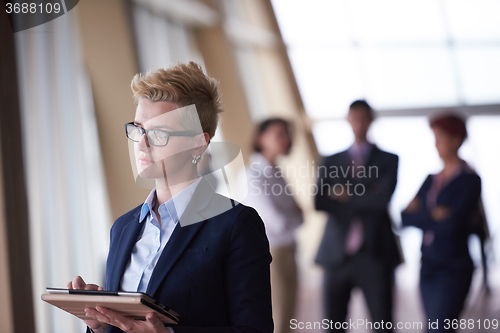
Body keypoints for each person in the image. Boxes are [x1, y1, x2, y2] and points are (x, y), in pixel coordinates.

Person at [66, 62, 273, 333]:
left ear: (199, 143)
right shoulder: (123, 227)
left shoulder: (236, 225)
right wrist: (100, 325)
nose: (141, 143)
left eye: (158, 133)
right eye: (138, 129)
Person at [315, 100, 401, 332]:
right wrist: (367, 192)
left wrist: (346, 194)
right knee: (333, 326)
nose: (359, 124)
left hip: (375, 252)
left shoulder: (389, 159)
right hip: (336, 254)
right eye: (355, 119)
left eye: (364, 119)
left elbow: (382, 200)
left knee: (382, 324)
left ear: (371, 121)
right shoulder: (331, 160)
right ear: (348, 121)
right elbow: (319, 201)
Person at [402, 114, 482, 333]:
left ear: (456, 140)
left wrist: (422, 215)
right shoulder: (431, 179)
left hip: (453, 267)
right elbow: (404, 217)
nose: (436, 143)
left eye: (441, 137)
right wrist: (433, 215)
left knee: (439, 329)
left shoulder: (469, 180)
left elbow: (452, 225)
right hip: (427, 264)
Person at [240, 118, 303, 333]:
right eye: (279, 134)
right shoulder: (252, 175)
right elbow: (276, 222)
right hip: (271, 252)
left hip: (289, 248)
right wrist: (293, 215)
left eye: (286, 134)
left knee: (290, 314)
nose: (285, 139)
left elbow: (301, 216)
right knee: (278, 316)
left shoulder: (276, 171)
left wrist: (293, 215)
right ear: (261, 138)